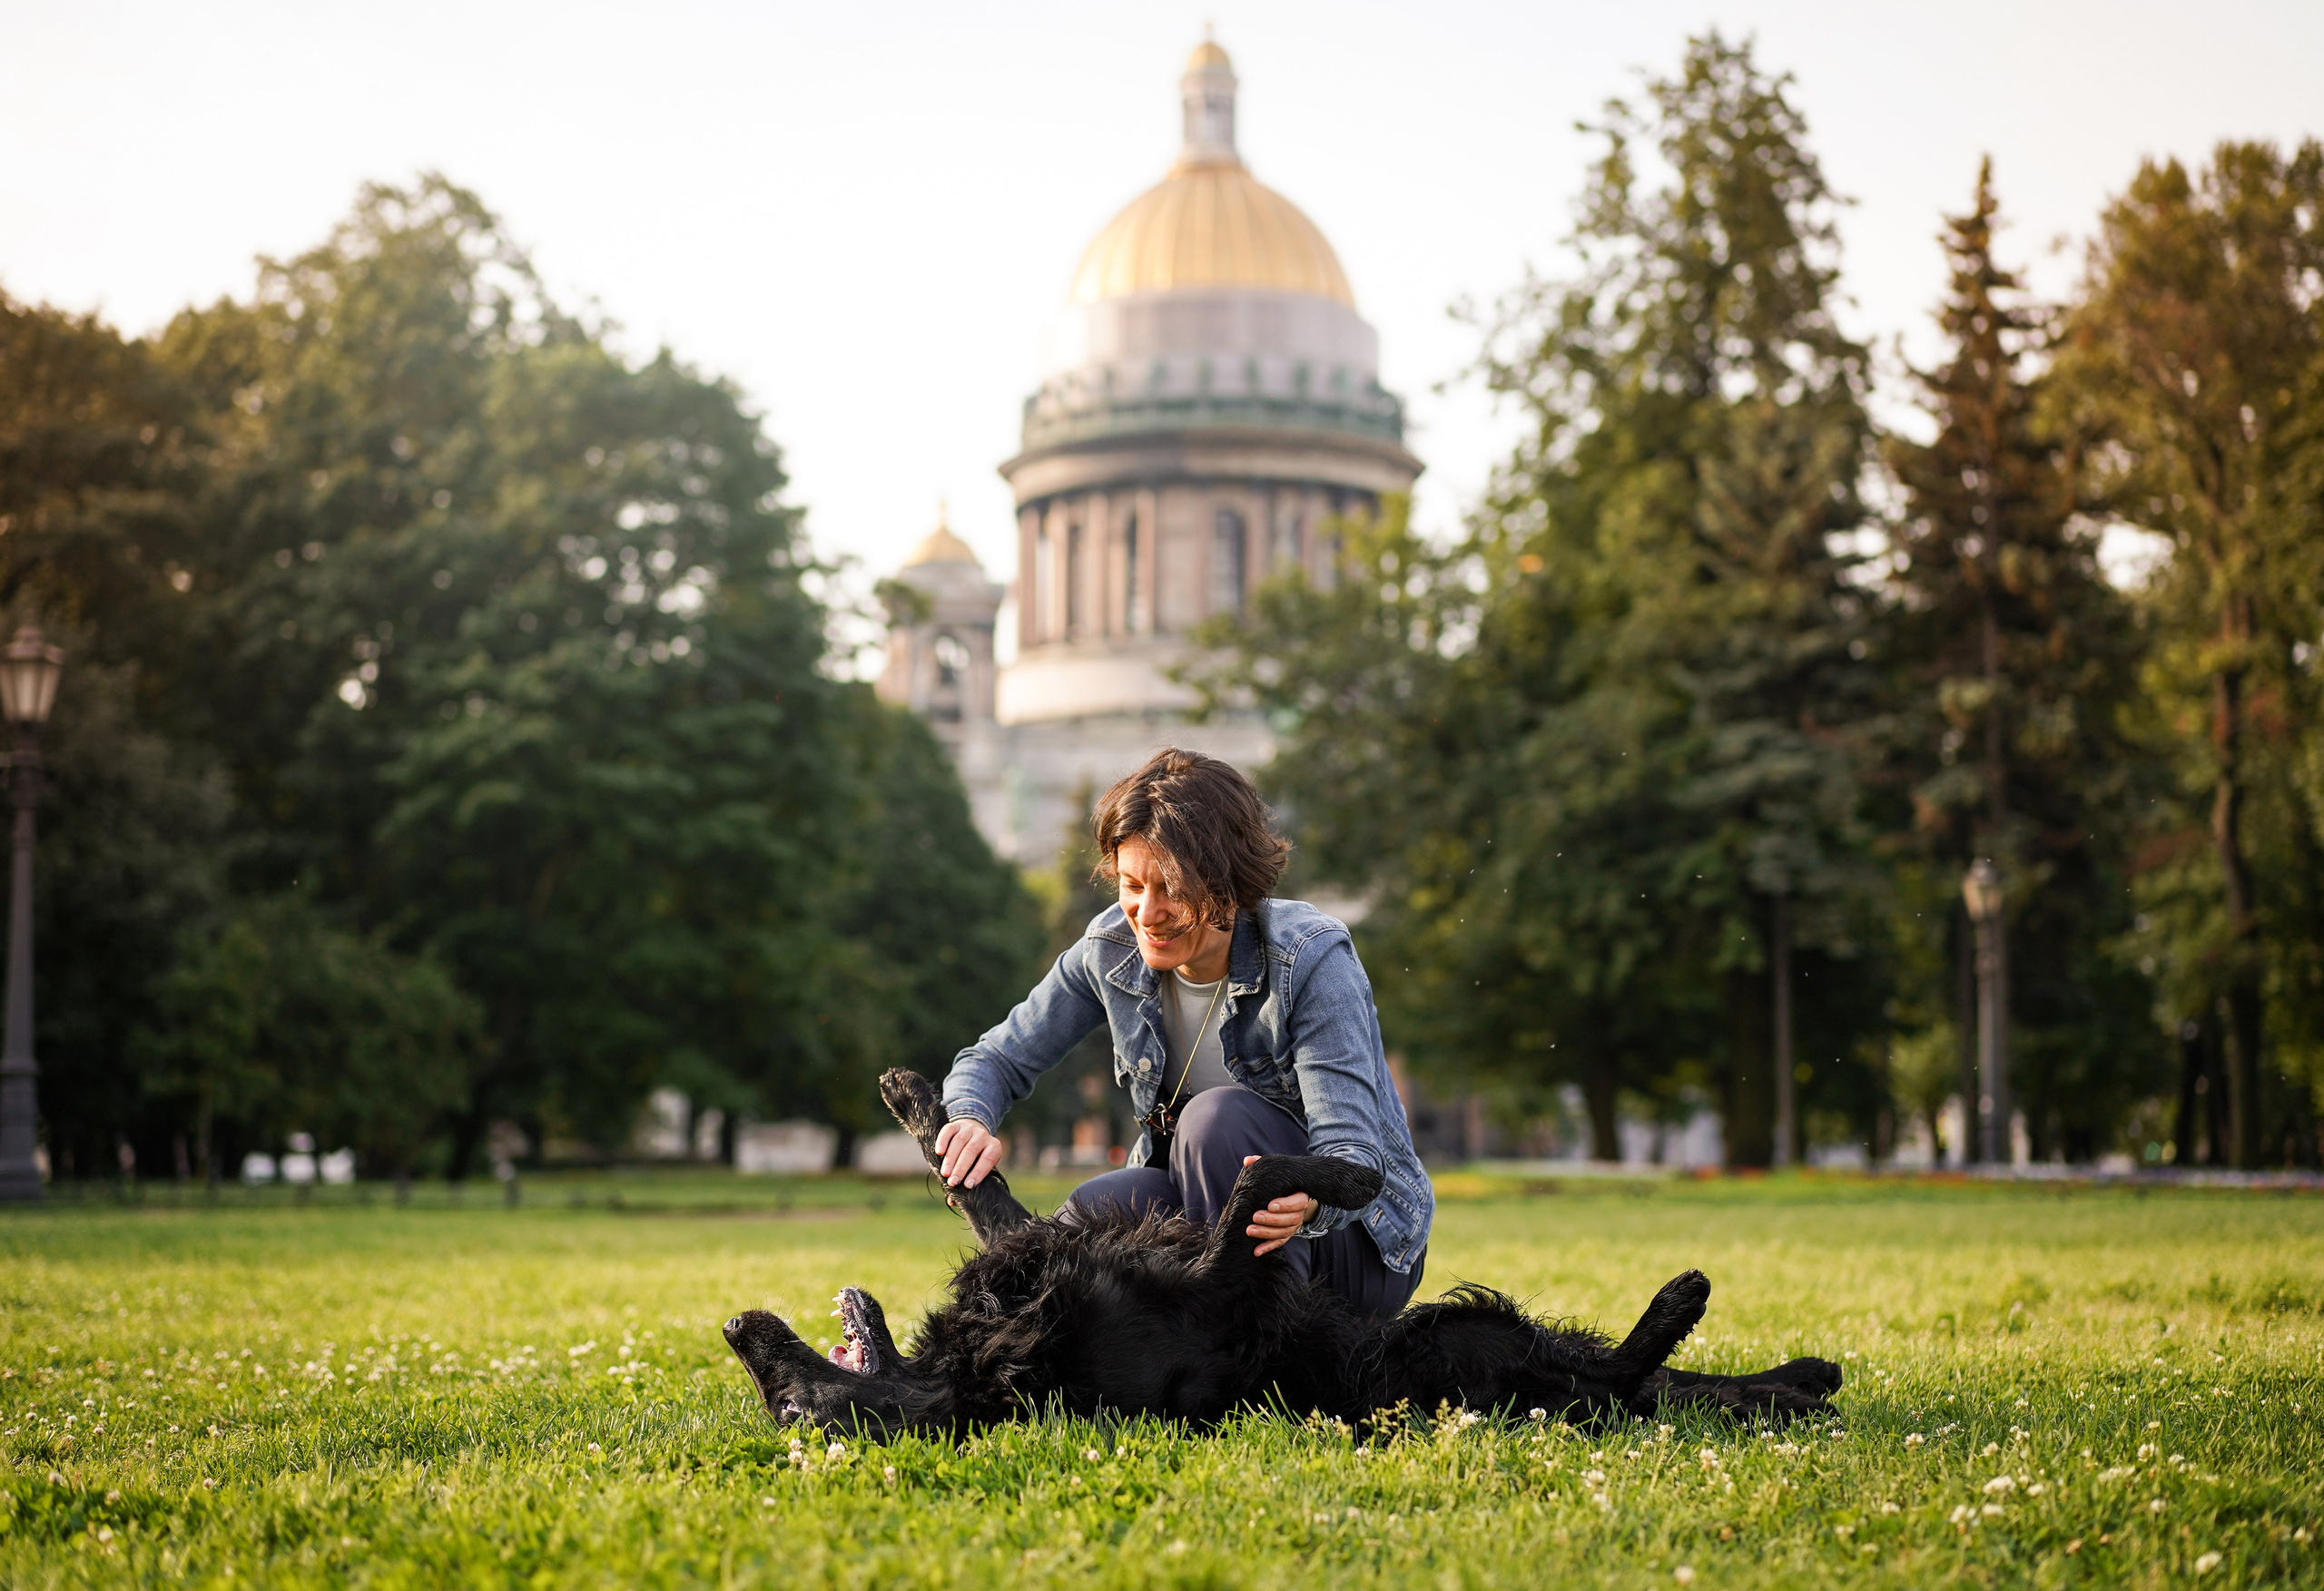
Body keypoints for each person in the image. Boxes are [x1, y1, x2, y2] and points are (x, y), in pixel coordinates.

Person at [935, 748, 1432, 1315]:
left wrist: (1312, 1204)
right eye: (1130, 885)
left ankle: (1276, 1347)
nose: (1146, 912)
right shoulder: (1110, 952)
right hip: (1215, 1222)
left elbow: (1353, 1158)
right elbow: (994, 1059)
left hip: (1353, 1251)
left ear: (1230, 881)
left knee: (1215, 1121)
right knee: (1100, 1208)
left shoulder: (1310, 958)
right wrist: (970, 1117)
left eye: (1170, 887)